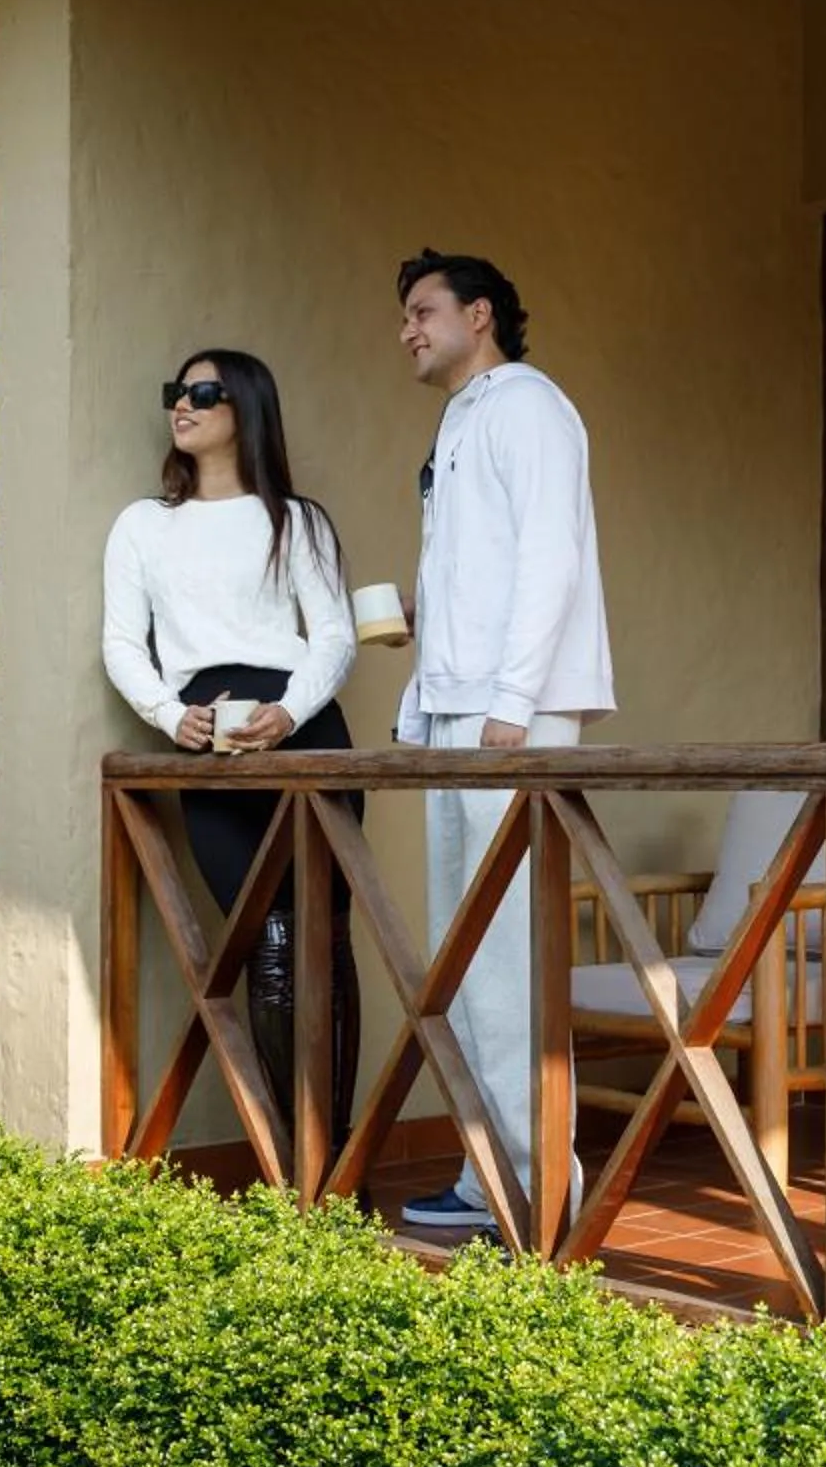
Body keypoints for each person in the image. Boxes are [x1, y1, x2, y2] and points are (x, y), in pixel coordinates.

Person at [390, 249, 614, 1235]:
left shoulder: (527, 405)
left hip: (507, 714)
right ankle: (495, 1177)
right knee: (463, 959)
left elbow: (548, 555)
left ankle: (543, 1192)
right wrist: (420, 683)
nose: (408, 329)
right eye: (404, 315)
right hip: (460, 708)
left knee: (505, 959)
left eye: (423, 310)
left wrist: (513, 700)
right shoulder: (457, 419)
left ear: (480, 315)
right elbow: (470, 573)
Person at [101, 349, 362, 1133]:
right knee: (267, 937)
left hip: (306, 731)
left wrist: (287, 712)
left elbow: (336, 636)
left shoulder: (297, 518)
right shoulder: (144, 524)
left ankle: (339, 1158)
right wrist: (162, 712)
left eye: (203, 392)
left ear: (245, 408)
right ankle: (294, 1163)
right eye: (175, 392)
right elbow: (121, 641)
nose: (183, 404)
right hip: (207, 739)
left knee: (329, 935)